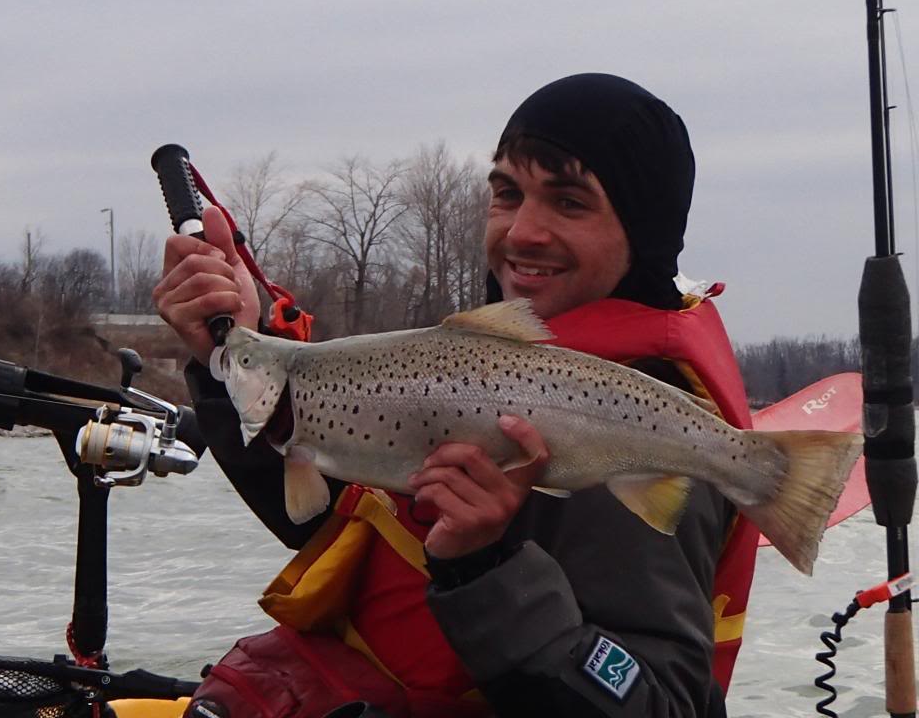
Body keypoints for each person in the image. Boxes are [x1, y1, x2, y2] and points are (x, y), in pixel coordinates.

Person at [154, 73, 756, 718]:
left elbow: (661, 707)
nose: (522, 231)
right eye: (506, 193)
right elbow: (332, 520)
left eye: (570, 202)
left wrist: (483, 567)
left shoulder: (630, 422)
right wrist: (233, 364)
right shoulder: (485, 369)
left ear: (644, 229)